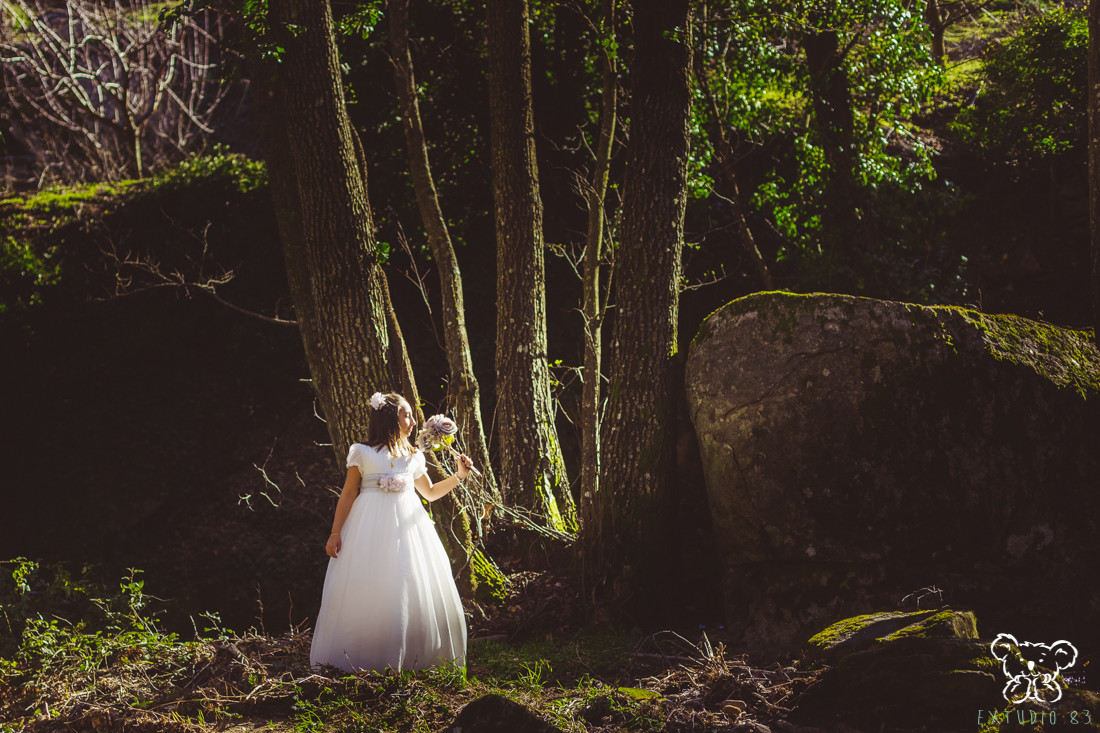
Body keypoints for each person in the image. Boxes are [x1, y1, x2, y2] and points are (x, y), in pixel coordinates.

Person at [309, 391, 471, 673]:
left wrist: (458, 476)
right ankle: (362, 658)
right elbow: (348, 493)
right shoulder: (363, 452)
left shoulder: (414, 456)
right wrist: (336, 533)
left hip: (408, 529)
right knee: (372, 581)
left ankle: (415, 658)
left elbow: (430, 494)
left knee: (406, 581)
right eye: (406, 414)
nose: (412, 419)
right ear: (389, 418)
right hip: (369, 527)